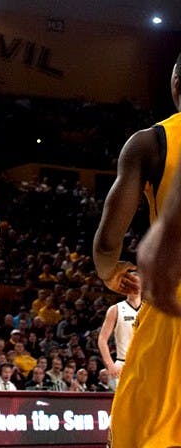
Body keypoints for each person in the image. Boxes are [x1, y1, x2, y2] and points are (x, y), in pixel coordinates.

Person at [93, 54, 181, 447]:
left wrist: (112, 272)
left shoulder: (150, 142)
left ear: (175, 83)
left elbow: (109, 240)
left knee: (142, 432)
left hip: (172, 303)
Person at [98, 290, 141, 389]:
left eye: (136, 284)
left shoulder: (149, 309)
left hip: (146, 364)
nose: (133, 288)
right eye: (129, 285)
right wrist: (110, 364)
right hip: (123, 363)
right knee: (125, 403)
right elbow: (102, 339)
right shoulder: (116, 309)